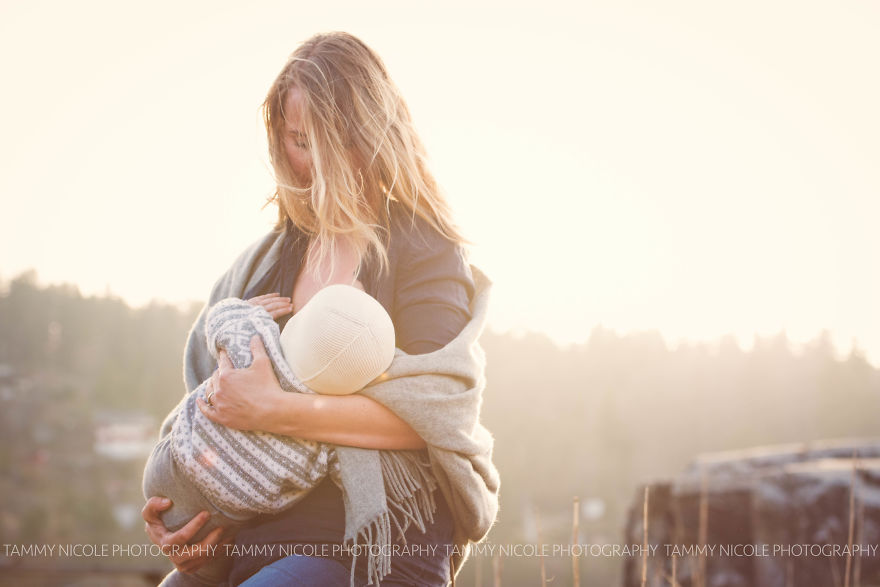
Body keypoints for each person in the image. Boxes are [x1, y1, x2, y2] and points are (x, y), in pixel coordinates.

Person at [142, 31, 500, 587]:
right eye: (300, 141)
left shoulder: (423, 247)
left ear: (378, 137)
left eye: (336, 143)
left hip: (369, 549)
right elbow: (210, 413)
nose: (317, 165)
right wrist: (185, 520)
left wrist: (273, 409)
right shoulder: (263, 264)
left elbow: (434, 413)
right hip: (253, 545)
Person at [142, 284, 397, 587]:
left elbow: (221, 316)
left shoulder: (256, 345)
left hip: (170, 467)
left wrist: (251, 312)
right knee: (205, 573)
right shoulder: (322, 438)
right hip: (224, 519)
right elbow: (352, 476)